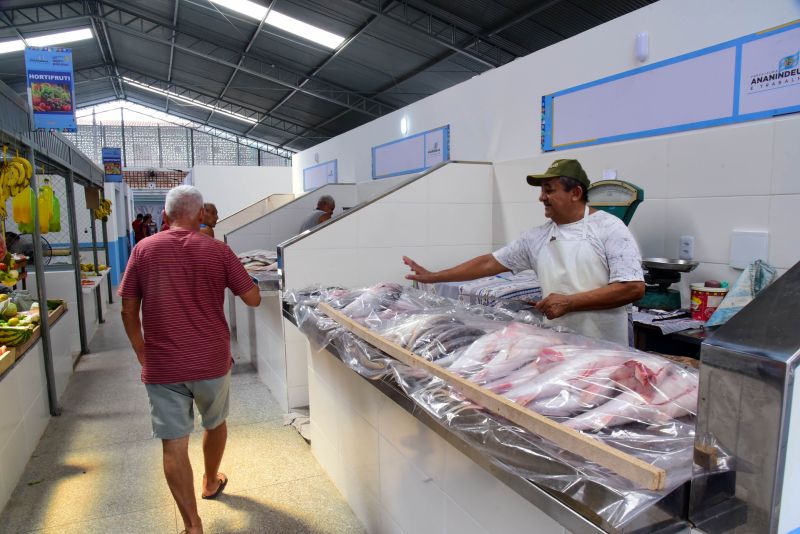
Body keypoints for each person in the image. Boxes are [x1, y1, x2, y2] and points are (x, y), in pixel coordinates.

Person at [119, 185, 261, 534]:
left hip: (163, 364)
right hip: (211, 360)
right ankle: (210, 481)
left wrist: (140, 348)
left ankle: (192, 525)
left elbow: (127, 308)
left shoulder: (143, 250)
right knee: (215, 423)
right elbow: (254, 299)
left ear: (164, 216)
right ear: (201, 216)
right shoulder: (219, 252)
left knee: (174, 443)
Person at [403, 159, 644, 345]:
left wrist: (570, 302)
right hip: (559, 345)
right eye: (541, 191)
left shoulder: (609, 227)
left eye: (549, 190)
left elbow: (633, 287)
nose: (542, 197)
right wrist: (435, 276)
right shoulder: (536, 237)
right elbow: (489, 263)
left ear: (576, 193)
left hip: (606, 347)